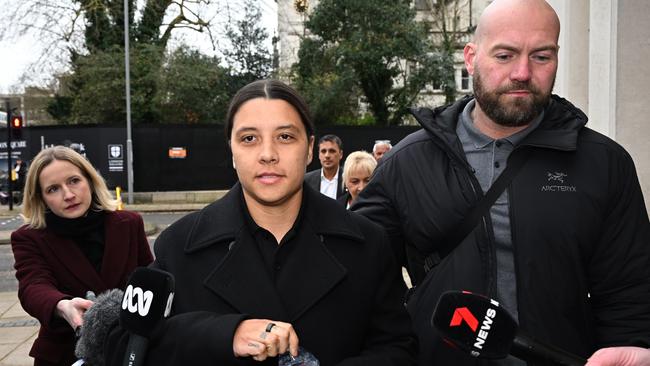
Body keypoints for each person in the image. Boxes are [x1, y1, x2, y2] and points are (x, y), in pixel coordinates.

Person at [352, 0, 650, 365]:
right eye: (505, 55)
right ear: (470, 57)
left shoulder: (604, 163)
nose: (523, 72)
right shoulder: (407, 162)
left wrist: (633, 347)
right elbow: (355, 272)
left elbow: (630, 290)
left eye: (541, 56)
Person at [104, 80, 416, 365]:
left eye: (284, 137)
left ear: (309, 148)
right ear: (232, 150)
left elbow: (399, 348)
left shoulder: (367, 242)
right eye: (249, 138)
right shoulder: (179, 244)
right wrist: (226, 334)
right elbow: (126, 344)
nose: (268, 154)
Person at [10, 146, 154, 366]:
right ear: (41, 197)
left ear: (90, 180)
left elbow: (149, 278)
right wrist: (62, 306)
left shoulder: (129, 224)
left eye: (74, 181)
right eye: (53, 189)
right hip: (65, 355)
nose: (68, 195)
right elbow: (33, 286)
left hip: (130, 351)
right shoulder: (30, 237)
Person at [304, 134, 345, 200]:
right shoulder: (307, 180)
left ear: (341, 154)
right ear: (319, 155)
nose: (327, 155)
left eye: (332, 151)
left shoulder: (348, 179)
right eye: (323, 151)